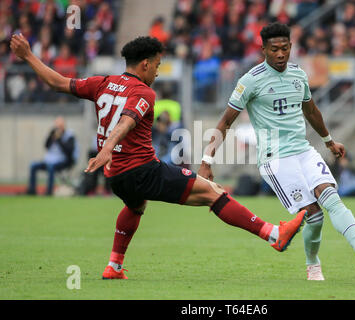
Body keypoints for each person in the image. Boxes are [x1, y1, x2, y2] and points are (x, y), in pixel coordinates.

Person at [10, 34, 306, 280]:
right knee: (213, 192)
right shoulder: (144, 93)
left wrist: (28, 56)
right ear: (145, 64)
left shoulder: (102, 83)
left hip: (115, 176)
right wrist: (107, 147)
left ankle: (114, 266)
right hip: (142, 170)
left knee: (136, 204)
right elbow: (127, 120)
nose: (157, 72)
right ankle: (272, 234)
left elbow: (59, 82)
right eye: (157, 66)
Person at [198, 22, 355, 281]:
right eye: (275, 49)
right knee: (314, 215)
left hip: (304, 151)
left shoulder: (298, 75)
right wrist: (207, 160)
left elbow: (311, 110)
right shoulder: (250, 80)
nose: (281, 54)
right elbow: (225, 122)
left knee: (330, 195)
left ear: (291, 46)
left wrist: (329, 141)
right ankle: (313, 265)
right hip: (276, 159)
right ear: (263, 49)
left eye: (285, 48)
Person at [26, 116, 77, 196]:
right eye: (57, 126)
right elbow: (46, 146)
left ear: (64, 126)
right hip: (48, 160)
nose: (58, 128)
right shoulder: (52, 134)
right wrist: (51, 137)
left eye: (60, 126)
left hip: (62, 161)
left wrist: (59, 139)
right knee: (33, 165)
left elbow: (69, 151)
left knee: (51, 167)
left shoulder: (69, 135)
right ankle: (32, 191)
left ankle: (49, 192)